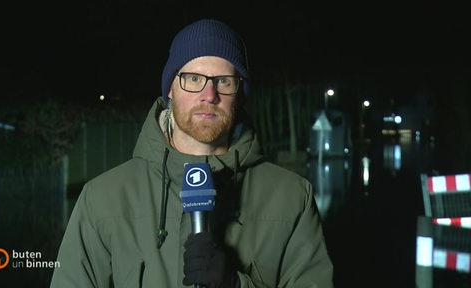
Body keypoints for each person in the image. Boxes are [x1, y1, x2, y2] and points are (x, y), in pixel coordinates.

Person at [50, 18, 334, 288]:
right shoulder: (101, 199)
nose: (209, 94)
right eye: (193, 78)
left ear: (240, 93)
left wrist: (235, 284)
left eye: (224, 80)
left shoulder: (293, 198)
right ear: (170, 88)